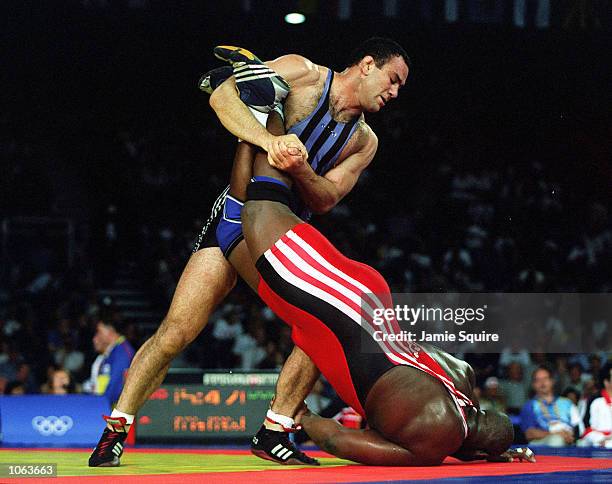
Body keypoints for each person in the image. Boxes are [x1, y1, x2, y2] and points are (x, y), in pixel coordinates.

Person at [90, 38, 410, 467]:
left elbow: (328, 198)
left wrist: (299, 167)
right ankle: (115, 430)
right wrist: (267, 139)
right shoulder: (304, 74)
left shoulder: (363, 142)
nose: (394, 93)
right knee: (176, 331)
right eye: (393, 80)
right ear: (368, 65)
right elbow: (221, 97)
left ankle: (275, 430)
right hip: (236, 215)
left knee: (322, 325)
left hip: (286, 239)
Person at [237, 114, 535, 465]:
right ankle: (266, 104)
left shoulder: (463, 376)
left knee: (245, 227)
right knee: (263, 209)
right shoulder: (436, 439)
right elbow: (338, 441)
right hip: (343, 320)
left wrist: (493, 452)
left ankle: (255, 129)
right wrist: (304, 418)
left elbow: (464, 438)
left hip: (369, 304)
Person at [520, 366, 583, 447]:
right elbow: (529, 434)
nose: (542, 383)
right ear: (533, 385)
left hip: (569, 441)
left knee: (584, 443)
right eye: (538, 380)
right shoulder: (529, 405)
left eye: (545, 378)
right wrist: (556, 434)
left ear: (552, 381)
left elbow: (579, 428)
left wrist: (570, 436)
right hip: (542, 445)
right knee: (556, 440)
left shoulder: (567, 403)